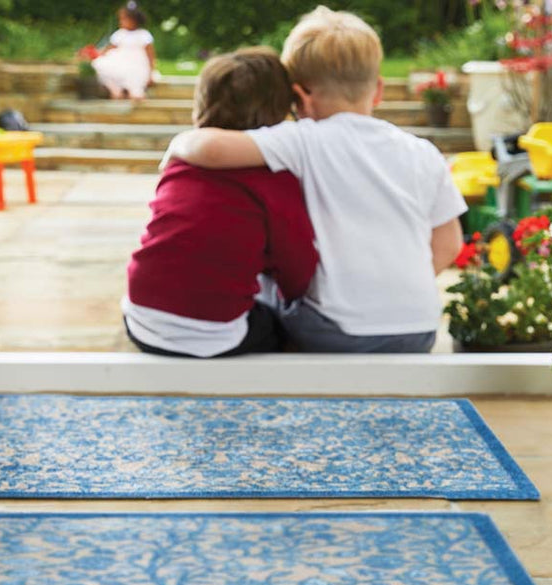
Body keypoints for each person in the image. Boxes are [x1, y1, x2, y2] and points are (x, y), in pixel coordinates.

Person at [162, 6, 466, 353]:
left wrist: (178, 144)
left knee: (265, 295)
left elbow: (212, 148)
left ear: (301, 98)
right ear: (378, 90)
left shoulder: (303, 139)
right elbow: (449, 245)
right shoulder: (423, 152)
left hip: (334, 331)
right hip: (418, 328)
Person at [123, 47, 318, 358]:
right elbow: (297, 265)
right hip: (214, 333)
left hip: (140, 317)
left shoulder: (182, 163)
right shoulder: (274, 178)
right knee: (282, 326)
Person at [84, 2, 156, 101]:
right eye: (120, 19)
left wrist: (151, 73)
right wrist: (93, 53)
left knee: (135, 88)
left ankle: (135, 92)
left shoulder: (144, 35)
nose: (121, 22)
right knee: (101, 65)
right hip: (120, 65)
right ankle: (116, 90)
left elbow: (150, 56)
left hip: (137, 66)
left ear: (134, 20)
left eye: (124, 19)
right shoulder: (120, 34)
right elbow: (108, 50)